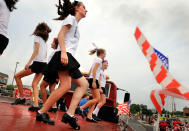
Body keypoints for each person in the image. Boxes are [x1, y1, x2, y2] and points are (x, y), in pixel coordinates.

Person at [36, 0, 88, 130]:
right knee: (66, 86)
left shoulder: (75, 23)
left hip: (68, 56)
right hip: (64, 55)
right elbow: (60, 35)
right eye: (84, 7)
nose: (86, 10)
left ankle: (69, 114)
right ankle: (42, 112)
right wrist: (64, 52)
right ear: (77, 8)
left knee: (83, 84)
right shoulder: (70, 18)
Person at [12, 22, 51, 112]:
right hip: (44, 64)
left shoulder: (37, 37)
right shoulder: (44, 41)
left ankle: (22, 97)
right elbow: (45, 54)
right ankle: (36, 105)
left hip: (37, 63)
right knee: (34, 84)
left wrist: (28, 63)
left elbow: (36, 51)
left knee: (17, 76)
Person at [77, 48, 106, 122]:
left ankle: (89, 116)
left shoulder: (96, 60)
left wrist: (90, 77)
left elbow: (90, 71)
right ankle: (81, 108)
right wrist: (93, 81)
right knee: (97, 99)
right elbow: (94, 70)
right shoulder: (99, 60)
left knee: (95, 99)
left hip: (92, 79)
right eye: (105, 54)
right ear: (102, 54)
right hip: (94, 80)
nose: (105, 55)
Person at [40, 38, 59, 113]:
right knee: (52, 89)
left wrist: (57, 76)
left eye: (52, 42)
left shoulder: (55, 52)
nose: (51, 43)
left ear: (55, 44)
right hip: (55, 73)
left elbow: (55, 64)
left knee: (42, 86)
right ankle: (54, 106)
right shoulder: (56, 52)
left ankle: (45, 105)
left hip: (52, 72)